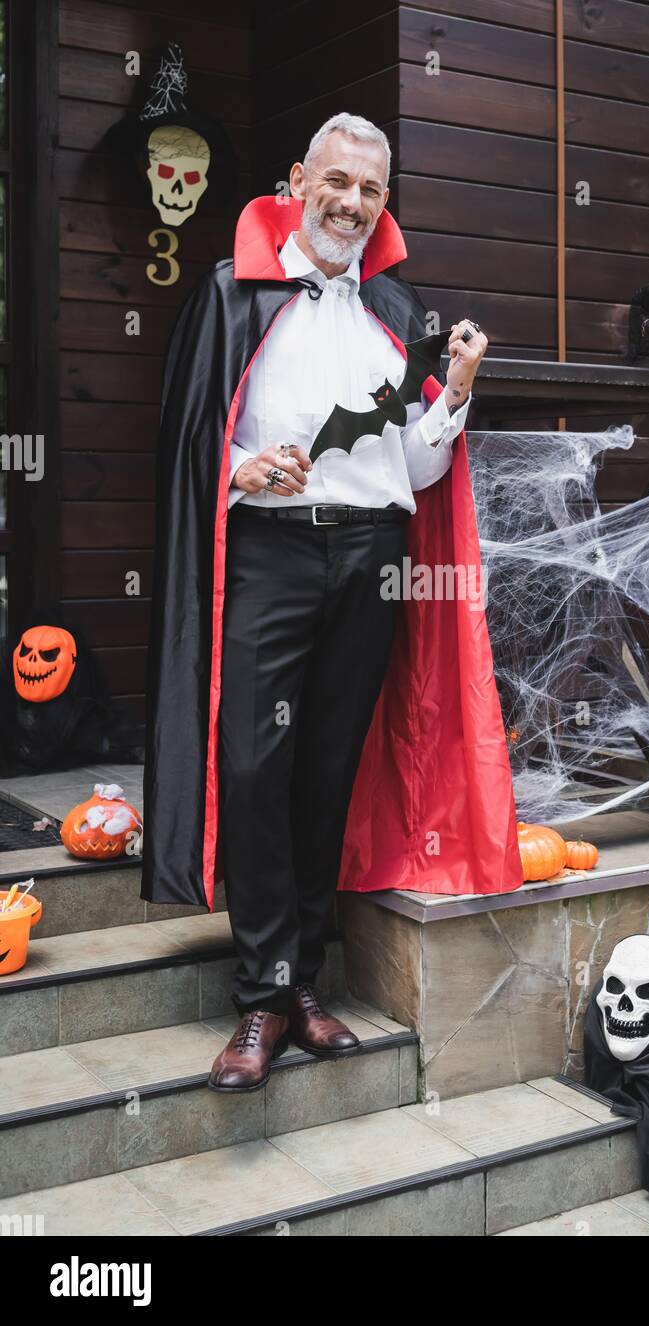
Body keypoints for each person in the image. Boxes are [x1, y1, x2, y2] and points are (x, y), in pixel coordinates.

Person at [141, 112, 492, 1092]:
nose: (349, 202)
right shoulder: (230, 291)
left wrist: (453, 393)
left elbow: (417, 468)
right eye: (335, 181)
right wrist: (239, 467)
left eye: (370, 190)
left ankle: (302, 985)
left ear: (384, 203)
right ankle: (259, 993)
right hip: (271, 555)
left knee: (327, 768)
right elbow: (191, 441)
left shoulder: (397, 307)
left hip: (373, 556)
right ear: (299, 179)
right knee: (255, 763)